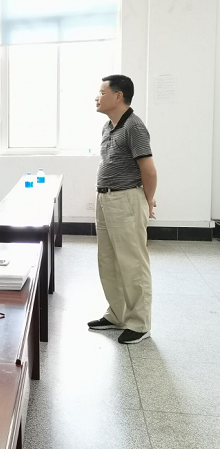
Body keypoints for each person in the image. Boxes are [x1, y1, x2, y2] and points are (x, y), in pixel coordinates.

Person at [87, 75, 157, 345]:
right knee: (108, 260)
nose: (97, 97)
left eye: (101, 92)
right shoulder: (108, 126)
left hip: (126, 199)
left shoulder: (134, 127)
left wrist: (147, 201)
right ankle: (117, 314)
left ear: (118, 96)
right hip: (106, 198)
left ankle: (140, 323)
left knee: (132, 262)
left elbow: (149, 171)